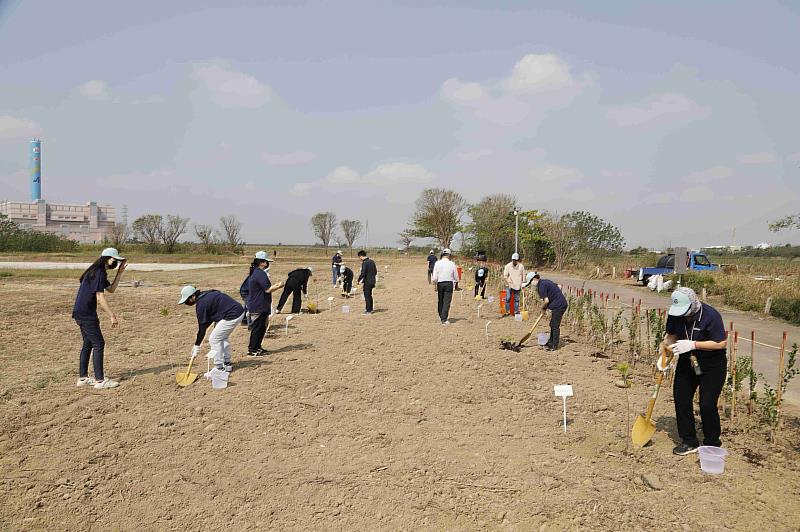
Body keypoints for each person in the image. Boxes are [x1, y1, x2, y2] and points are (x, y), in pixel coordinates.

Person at [658, 287, 728, 456]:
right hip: (687, 360)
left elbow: (720, 343)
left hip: (712, 364)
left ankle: (712, 442)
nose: (683, 316)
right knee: (681, 399)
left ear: (693, 304)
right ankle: (689, 441)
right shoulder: (675, 315)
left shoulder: (711, 316)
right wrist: (664, 357)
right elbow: (671, 337)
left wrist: (694, 344)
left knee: (707, 404)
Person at [72, 247, 127, 389]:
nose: (115, 263)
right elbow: (100, 296)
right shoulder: (99, 272)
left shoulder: (96, 271)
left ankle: (83, 378)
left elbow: (111, 289)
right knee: (99, 344)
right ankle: (100, 380)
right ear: (108, 259)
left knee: (88, 344)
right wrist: (112, 315)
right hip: (87, 314)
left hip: (80, 312)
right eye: (115, 260)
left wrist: (120, 273)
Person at [178, 285, 245, 372]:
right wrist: (197, 344)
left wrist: (197, 345)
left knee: (214, 339)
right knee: (222, 337)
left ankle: (219, 367)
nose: (187, 303)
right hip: (238, 311)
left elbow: (202, 328)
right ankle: (227, 363)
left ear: (193, 296)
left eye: (187, 300)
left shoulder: (201, 305)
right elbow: (207, 322)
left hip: (232, 315)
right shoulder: (207, 294)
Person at [245, 251, 284, 356]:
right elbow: (267, 289)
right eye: (266, 261)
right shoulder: (259, 273)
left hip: (260, 305)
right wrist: (279, 285)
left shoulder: (256, 272)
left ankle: (258, 347)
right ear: (262, 262)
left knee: (262, 328)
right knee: (257, 328)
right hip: (258, 305)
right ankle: (252, 349)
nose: (268, 263)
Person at [528, 272, 568, 351]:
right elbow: (558, 287)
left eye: (530, 282)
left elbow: (546, 301)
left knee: (555, 325)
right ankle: (551, 342)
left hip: (559, 306)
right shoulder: (545, 282)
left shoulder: (541, 286)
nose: (531, 284)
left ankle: (555, 346)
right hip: (558, 304)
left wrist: (543, 308)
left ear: (534, 279)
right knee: (552, 324)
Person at [431, 248, 459, 324]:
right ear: (449, 255)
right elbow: (456, 276)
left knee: (441, 300)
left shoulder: (437, 263)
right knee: (447, 301)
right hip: (449, 283)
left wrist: (434, 281)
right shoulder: (452, 264)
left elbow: (435, 274)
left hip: (440, 283)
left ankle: (441, 315)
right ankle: (444, 319)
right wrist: (456, 282)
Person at [357, 250, 377, 314]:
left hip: (367, 282)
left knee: (367, 296)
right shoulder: (372, 261)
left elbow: (363, 273)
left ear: (361, 256)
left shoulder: (364, 263)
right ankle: (371, 309)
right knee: (370, 295)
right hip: (373, 281)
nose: (359, 259)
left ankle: (368, 310)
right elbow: (375, 271)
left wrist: (359, 280)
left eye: (359, 257)